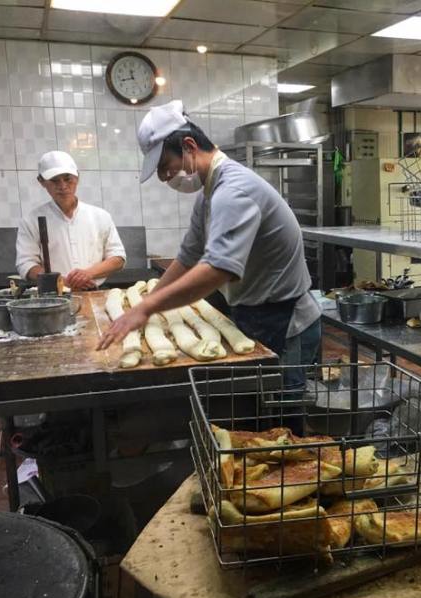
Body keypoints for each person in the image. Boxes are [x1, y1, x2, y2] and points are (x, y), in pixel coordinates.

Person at [97, 100, 321, 405]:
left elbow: (217, 269)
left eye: (165, 167)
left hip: (285, 321)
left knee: (282, 421)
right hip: (257, 311)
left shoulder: (233, 191)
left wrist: (146, 309)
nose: (165, 178)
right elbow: (189, 257)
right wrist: (147, 303)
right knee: (257, 413)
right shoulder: (210, 192)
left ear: (189, 146)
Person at [16, 151, 126, 290]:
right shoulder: (30, 221)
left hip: (95, 292)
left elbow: (118, 258)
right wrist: (61, 281)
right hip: (55, 296)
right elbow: (26, 264)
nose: (62, 186)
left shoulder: (100, 216)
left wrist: (88, 274)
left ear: (77, 177)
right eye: (55, 180)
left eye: (68, 179)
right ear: (41, 181)